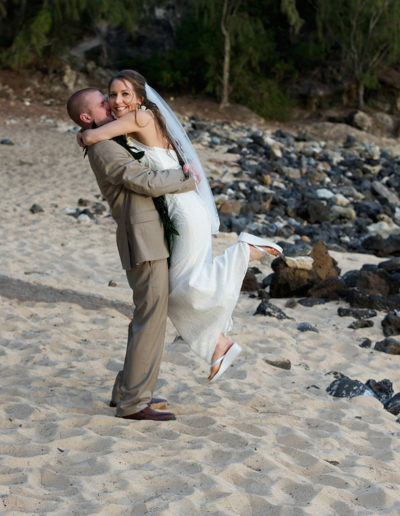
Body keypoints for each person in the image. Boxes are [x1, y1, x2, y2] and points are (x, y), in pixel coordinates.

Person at [78, 70, 283, 385]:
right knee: (177, 289)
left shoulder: (141, 117)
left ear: (141, 98)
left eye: (124, 95)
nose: (118, 102)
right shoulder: (140, 119)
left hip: (183, 208)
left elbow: (93, 136)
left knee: (176, 291)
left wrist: (83, 134)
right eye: (112, 95)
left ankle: (243, 251)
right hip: (179, 207)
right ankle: (219, 347)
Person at [67, 87, 197, 422]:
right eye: (101, 103)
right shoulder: (103, 147)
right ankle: (134, 403)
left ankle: (125, 391)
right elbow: (141, 180)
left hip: (145, 236)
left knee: (146, 317)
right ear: (86, 117)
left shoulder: (103, 138)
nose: (109, 105)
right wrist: (185, 178)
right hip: (143, 240)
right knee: (150, 320)